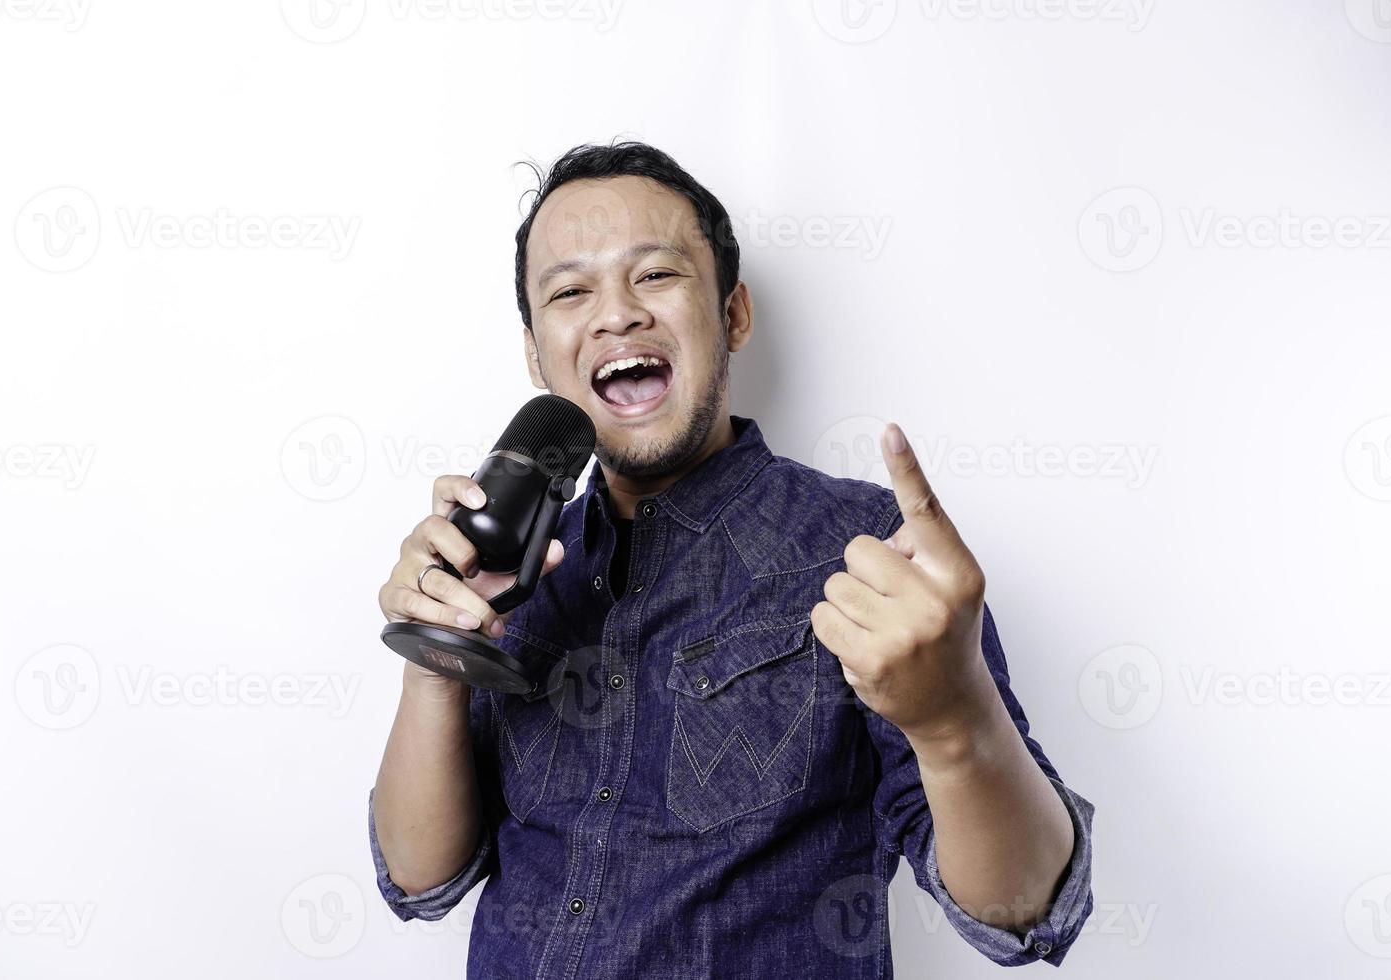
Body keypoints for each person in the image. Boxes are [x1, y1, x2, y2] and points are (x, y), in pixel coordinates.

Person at [369, 141, 1095, 978]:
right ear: (538, 356)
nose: (616, 315)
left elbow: (1027, 912)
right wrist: (434, 661)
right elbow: (422, 881)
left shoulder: (871, 554)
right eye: (571, 291)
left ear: (734, 315)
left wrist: (951, 718)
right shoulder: (510, 568)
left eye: (657, 276)